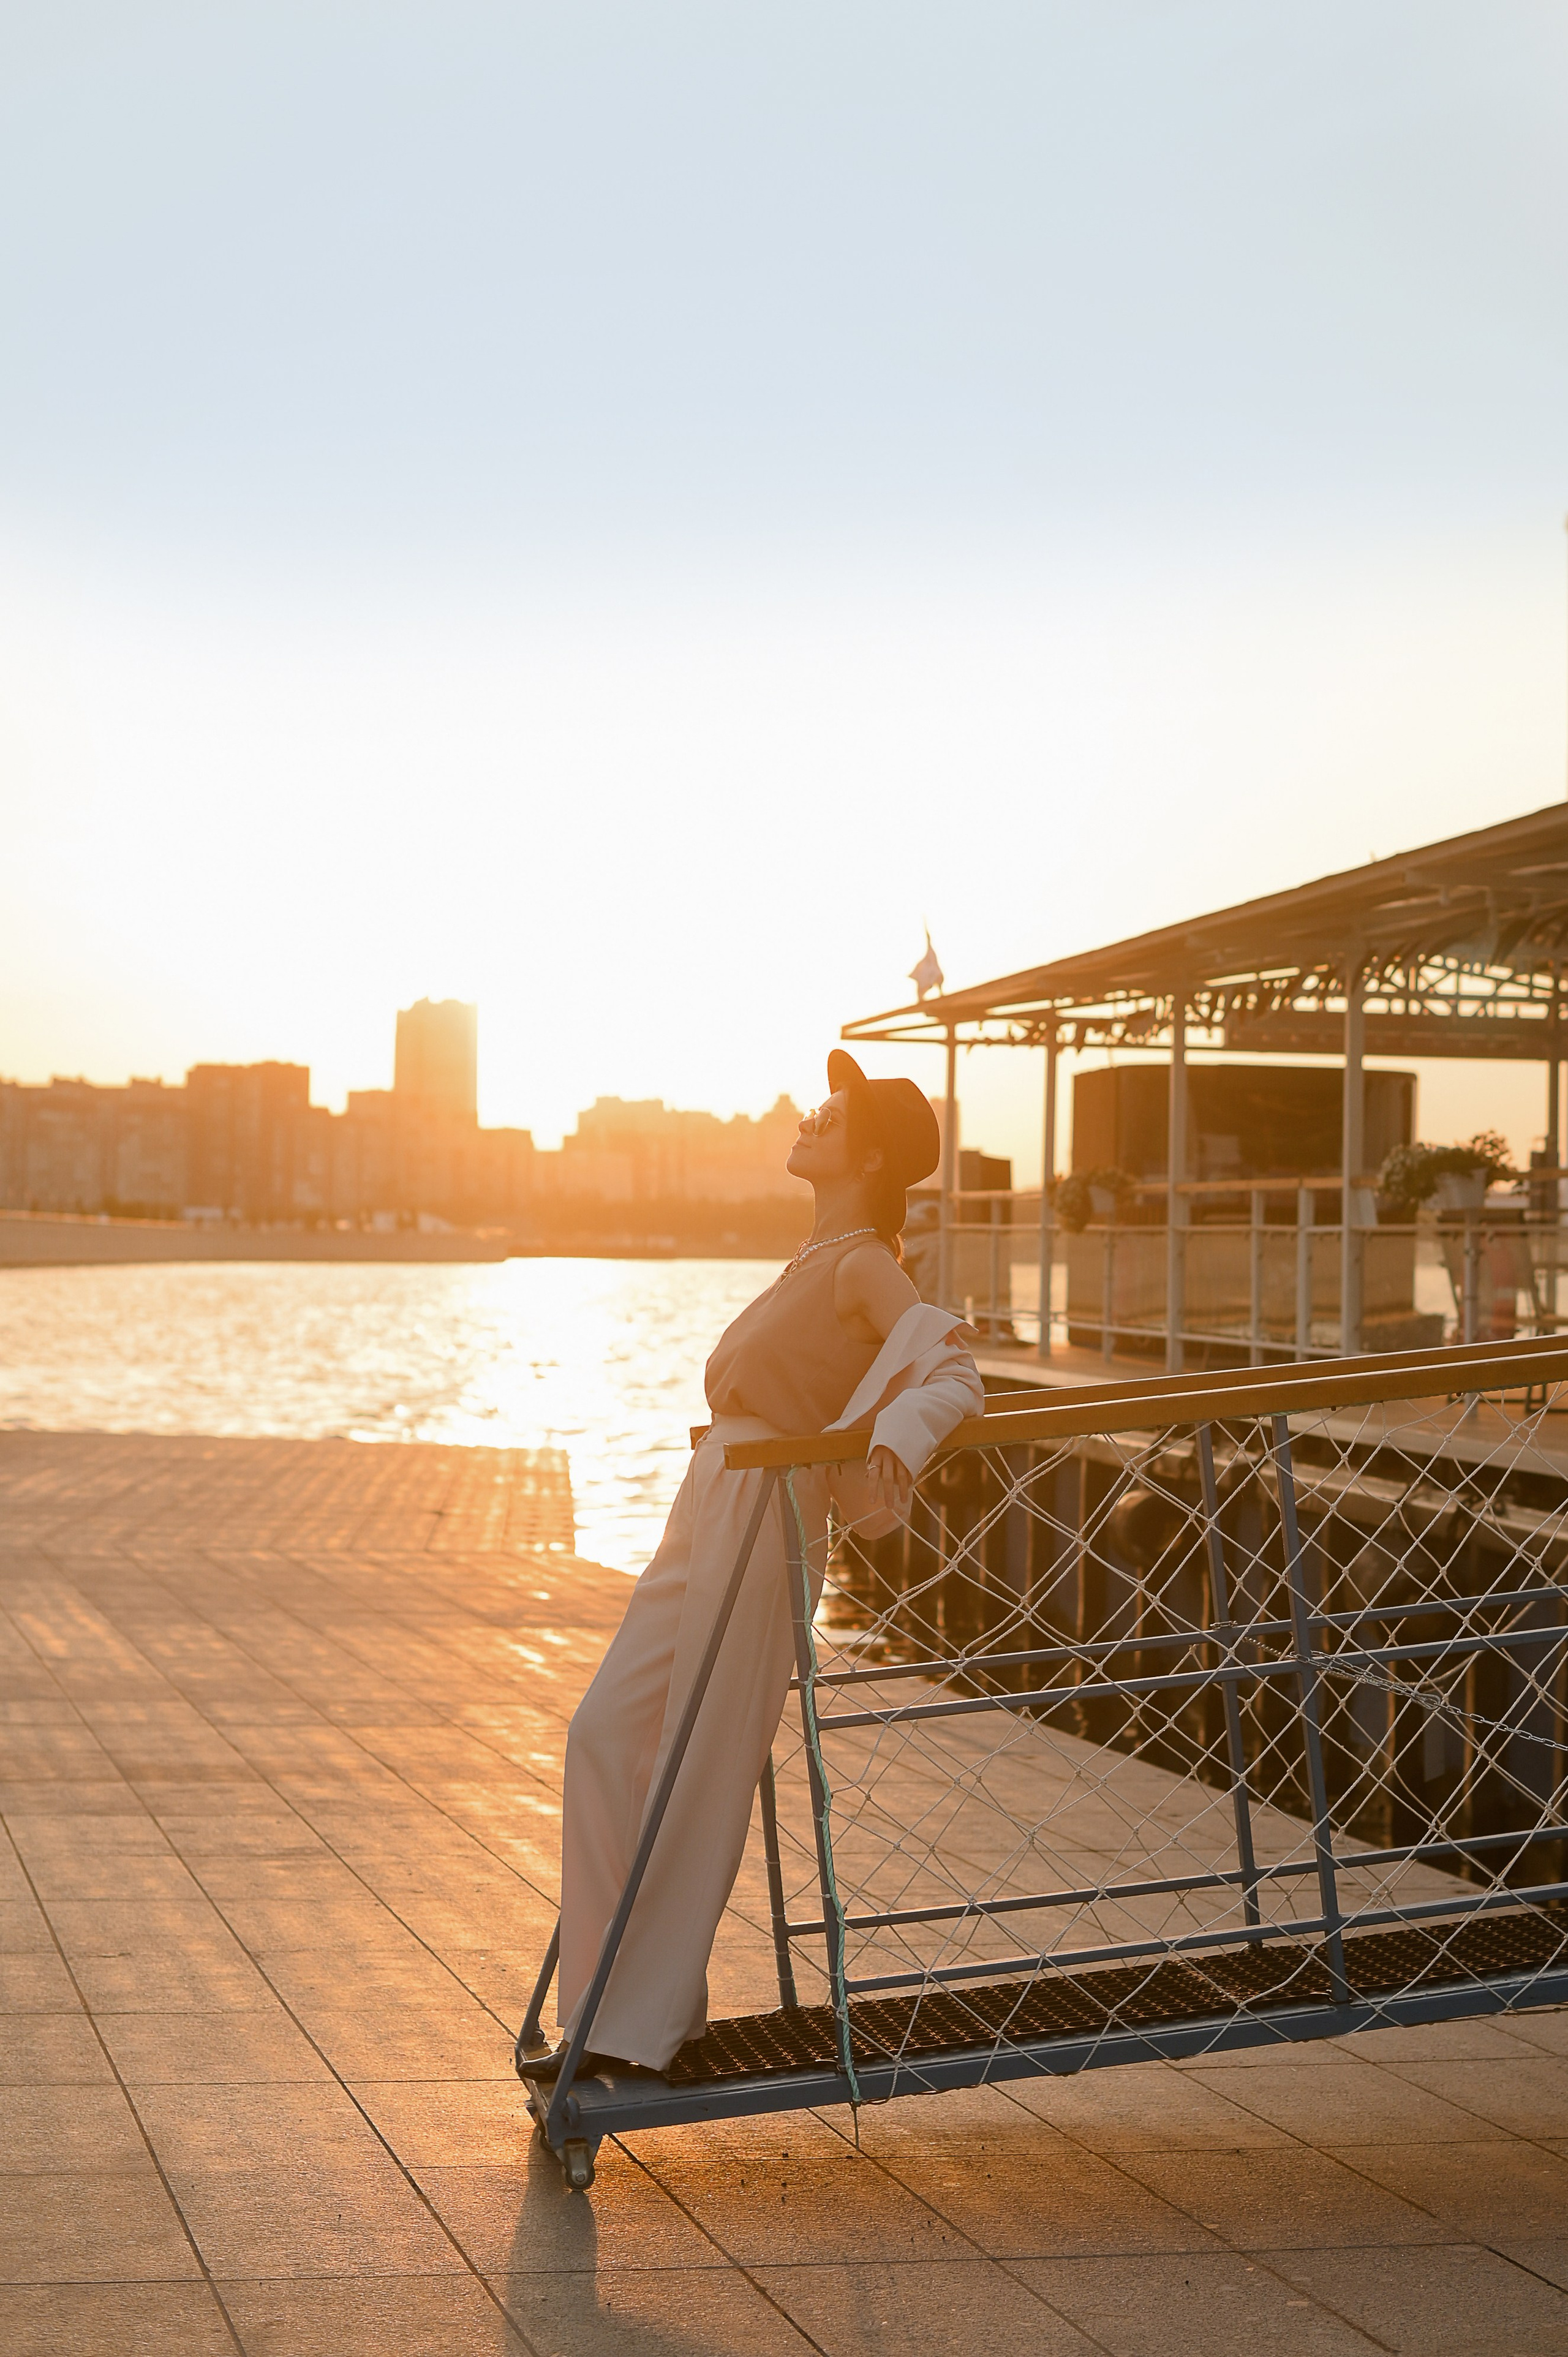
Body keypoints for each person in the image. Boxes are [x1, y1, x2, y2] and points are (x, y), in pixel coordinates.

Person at [535, 1050, 984, 2079]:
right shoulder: (811, 1257)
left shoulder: (865, 1260)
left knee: (702, 1764)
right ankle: (620, 2002)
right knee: (603, 1733)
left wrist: (901, 1434)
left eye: (831, 1114)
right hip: (711, 1498)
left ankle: (629, 2027)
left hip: (763, 1516)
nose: (811, 1118)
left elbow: (954, 1367)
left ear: (867, 1156)